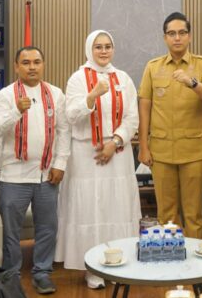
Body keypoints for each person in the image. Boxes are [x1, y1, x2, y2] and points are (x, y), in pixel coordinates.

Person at [55, 30, 141, 289]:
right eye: (98, 47)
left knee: (116, 208)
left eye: (108, 46)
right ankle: (92, 268)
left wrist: (115, 142)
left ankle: (118, 262)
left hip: (117, 152)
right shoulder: (77, 78)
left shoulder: (123, 78)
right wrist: (91, 96)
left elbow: (132, 118)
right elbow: (71, 116)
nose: (103, 51)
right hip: (86, 154)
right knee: (90, 209)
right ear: (89, 49)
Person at [0, 46, 70, 295]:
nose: (32, 67)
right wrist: (16, 111)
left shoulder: (55, 94)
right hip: (14, 174)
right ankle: (12, 274)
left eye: (36, 62)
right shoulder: (5, 95)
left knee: (47, 227)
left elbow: (64, 131)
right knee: (11, 229)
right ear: (16, 67)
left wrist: (60, 164)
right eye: (26, 62)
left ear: (43, 65)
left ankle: (42, 273)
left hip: (46, 174)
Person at [138, 12, 202, 238]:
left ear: (189, 36)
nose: (177, 38)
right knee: (166, 215)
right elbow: (144, 107)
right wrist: (143, 146)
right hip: (162, 152)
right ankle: (171, 258)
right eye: (172, 33)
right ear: (165, 37)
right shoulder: (153, 67)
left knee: (193, 214)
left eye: (182, 33)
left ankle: (195, 259)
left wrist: (192, 82)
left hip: (194, 152)